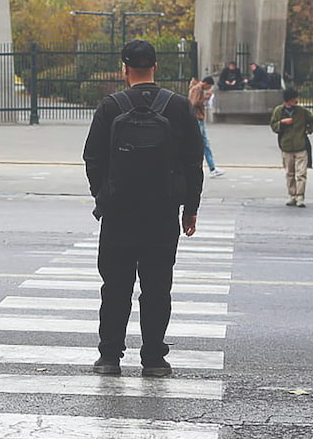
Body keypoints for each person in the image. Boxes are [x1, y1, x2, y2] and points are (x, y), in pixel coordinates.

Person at [83, 40, 203, 378]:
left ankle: (109, 357)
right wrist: (189, 209)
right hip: (162, 214)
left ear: (124, 69)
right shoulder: (178, 107)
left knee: (115, 287)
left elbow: (92, 158)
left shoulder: (111, 106)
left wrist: (103, 196)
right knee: (157, 288)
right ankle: (153, 358)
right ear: (155, 67)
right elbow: (193, 163)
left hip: (119, 213)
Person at [270, 87, 313, 207]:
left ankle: (300, 196)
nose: (296, 101)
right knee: (289, 173)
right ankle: (292, 195)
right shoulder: (279, 111)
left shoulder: (301, 111)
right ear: (288, 100)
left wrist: (309, 130)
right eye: (294, 99)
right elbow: (273, 126)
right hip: (286, 146)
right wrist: (282, 123)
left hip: (301, 145)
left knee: (301, 173)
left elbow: (312, 118)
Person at [187, 75, 224, 177]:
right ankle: (209, 167)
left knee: (204, 144)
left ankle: (212, 167)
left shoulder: (197, 88)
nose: (209, 88)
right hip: (198, 118)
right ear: (206, 84)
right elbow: (193, 103)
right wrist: (204, 99)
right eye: (209, 86)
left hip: (199, 118)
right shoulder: (198, 89)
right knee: (201, 143)